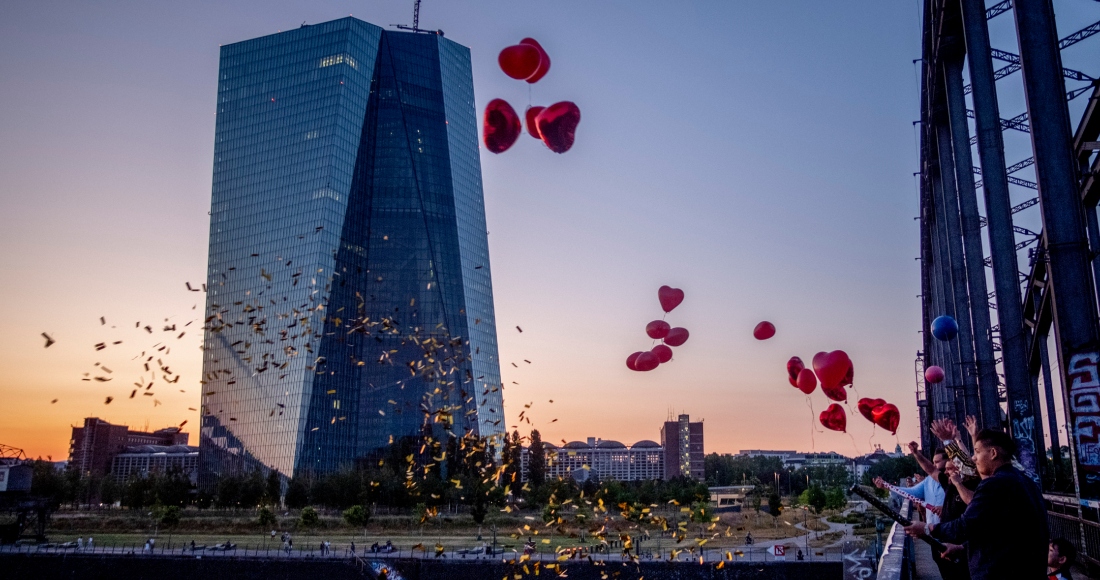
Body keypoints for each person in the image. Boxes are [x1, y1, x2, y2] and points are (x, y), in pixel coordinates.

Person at [904, 429, 1047, 580]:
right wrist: (961, 548)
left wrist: (927, 528)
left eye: (977, 452)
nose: (973, 458)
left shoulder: (994, 485)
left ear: (993, 453)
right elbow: (1002, 531)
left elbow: (966, 525)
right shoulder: (1026, 482)